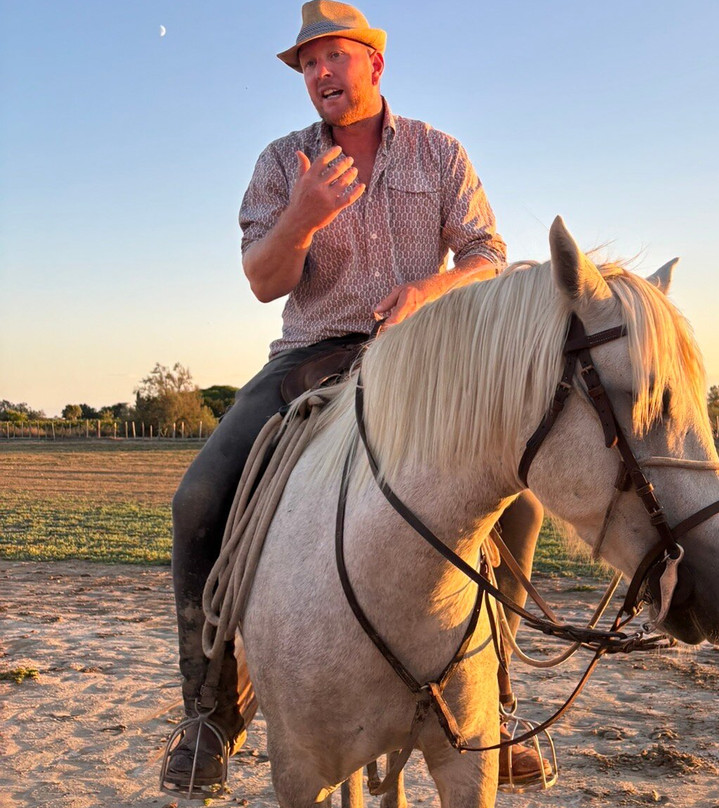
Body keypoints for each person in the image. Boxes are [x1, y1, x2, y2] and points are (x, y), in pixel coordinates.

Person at [163, 0, 548, 794]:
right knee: (197, 500)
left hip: (420, 358)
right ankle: (209, 716)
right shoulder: (282, 162)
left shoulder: (439, 152)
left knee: (520, 504)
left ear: (374, 63)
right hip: (310, 358)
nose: (319, 73)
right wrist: (302, 218)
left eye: (332, 56)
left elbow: (487, 254)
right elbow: (264, 281)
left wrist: (428, 291)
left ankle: (499, 703)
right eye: (307, 63)